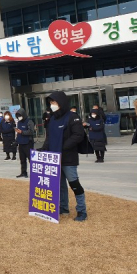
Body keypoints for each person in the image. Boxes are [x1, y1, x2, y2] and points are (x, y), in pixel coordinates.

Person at [41, 91, 87, 221]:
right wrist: (44, 149)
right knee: (59, 185)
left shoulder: (72, 117)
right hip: (54, 158)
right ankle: (63, 208)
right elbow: (49, 137)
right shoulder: (52, 119)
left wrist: (63, 146)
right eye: (50, 103)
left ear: (61, 102)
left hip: (68, 158)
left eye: (54, 102)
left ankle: (82, 211)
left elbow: (78, 135)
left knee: (74, 184)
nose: (52, 105)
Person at [15, 108, 35, 178]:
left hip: (28, 143)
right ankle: (23, 172)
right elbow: (18, 133)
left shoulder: (29, 121)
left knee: (31, 159)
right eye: (17, 116)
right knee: (22, 159)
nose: (19, 117)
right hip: (21, 143)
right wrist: (16, 141)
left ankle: (34, 173)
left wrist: (22, 132)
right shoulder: (19, 122)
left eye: (20, 115)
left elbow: (31, 131)